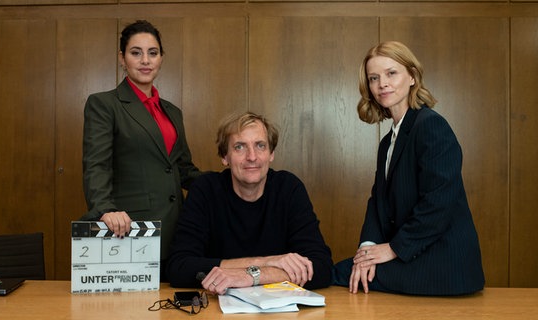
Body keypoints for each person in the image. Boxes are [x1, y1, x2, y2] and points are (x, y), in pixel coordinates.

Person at [332, 41, 484, 296]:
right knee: (351, 270)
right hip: (415, 254)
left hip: (442, 265)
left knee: (337, 273)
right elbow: (377, 202)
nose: (383, 83)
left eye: (391, 73)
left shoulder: (431, 126)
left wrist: (391, 249)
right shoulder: (387, 142)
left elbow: (439, 203)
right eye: (374, 78)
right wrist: (367, 250)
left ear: (412, 76)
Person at [80, 20, 203, 271]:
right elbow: (97, 165)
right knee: (133, 309)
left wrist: (230, 180)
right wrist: (105, 209)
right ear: (122, 58)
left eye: (153, 53)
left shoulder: (173, 112)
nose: (145, 60)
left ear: (161, 58)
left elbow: (183, 169)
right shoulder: (104, 104)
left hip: (178, 229)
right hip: (129, 230)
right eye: (136, 53)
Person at [167, 112, 333, 292]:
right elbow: (179, 268)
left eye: (260, 146)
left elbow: (321, 267)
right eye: (239, 147)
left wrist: (251, 276)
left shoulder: (288, 188)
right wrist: (266, 262)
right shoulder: (205, 190)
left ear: (271, 154)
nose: (252, 157)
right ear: (225, 157)